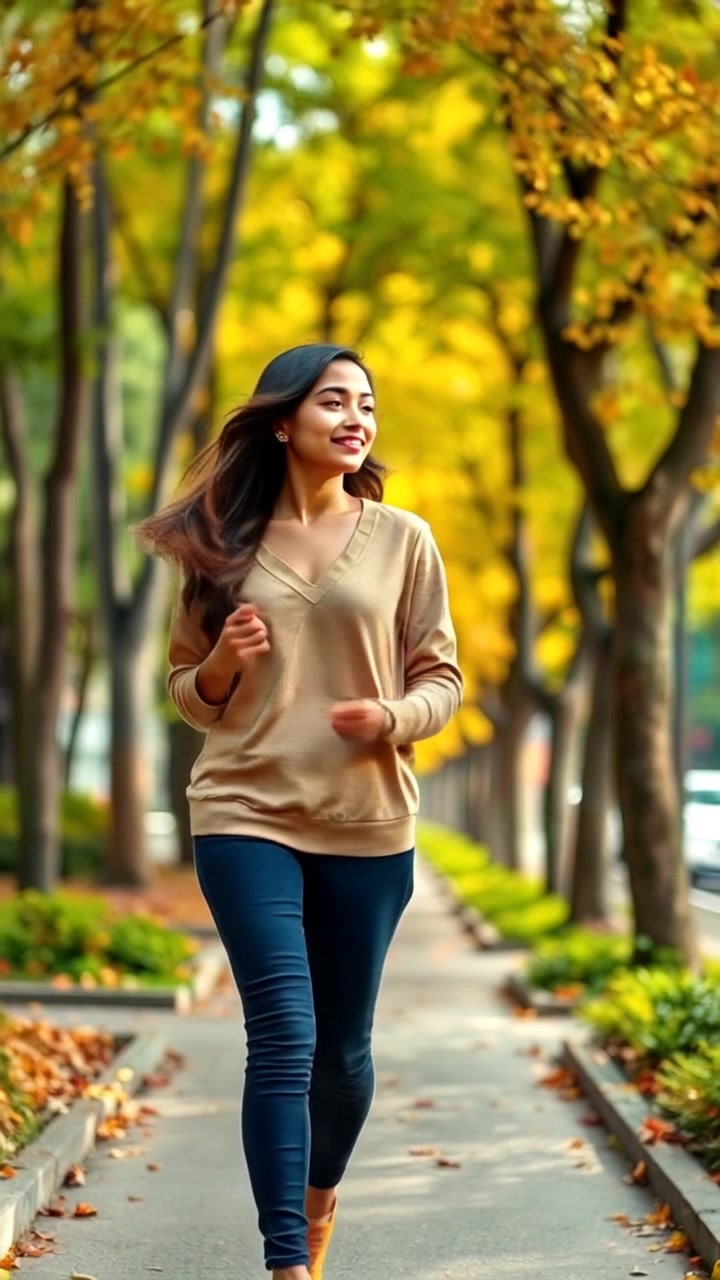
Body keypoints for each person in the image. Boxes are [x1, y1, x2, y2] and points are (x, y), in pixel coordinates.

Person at [136, 343, 463, 1279]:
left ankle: (318, 1204)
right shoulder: (221, 546)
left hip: (366, 820)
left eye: (368, 402)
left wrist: (392, 717)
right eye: (334, 400)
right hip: (244, 810)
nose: (357, 417)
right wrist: (227, 662)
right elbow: (189, 695)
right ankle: (286, 1261)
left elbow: (443, 678)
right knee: (284, 1032)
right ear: (284, 420)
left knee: (345, 1055)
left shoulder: (405, 539)